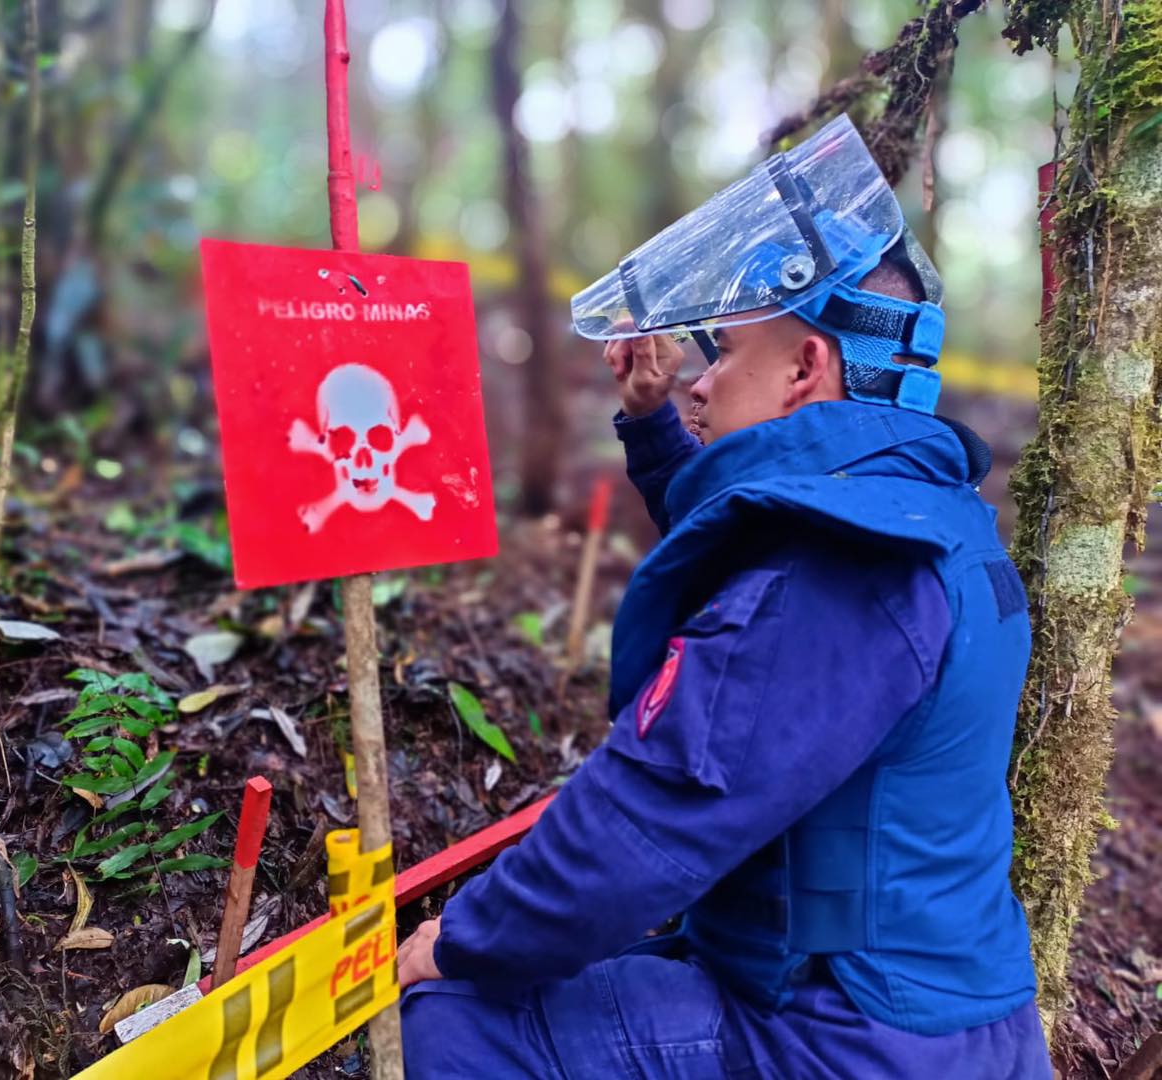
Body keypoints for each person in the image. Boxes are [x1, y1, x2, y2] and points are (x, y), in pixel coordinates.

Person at [395, 116, 1052, 1078]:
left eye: (728, 354)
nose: (702, 382)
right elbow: (761, 566)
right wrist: (654, 425)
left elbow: (647, 818)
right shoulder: (932, 520)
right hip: (940, 1013)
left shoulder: (845, 574)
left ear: (804, 369)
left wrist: (461, 941)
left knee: (454, 1019)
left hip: (844, 1040)